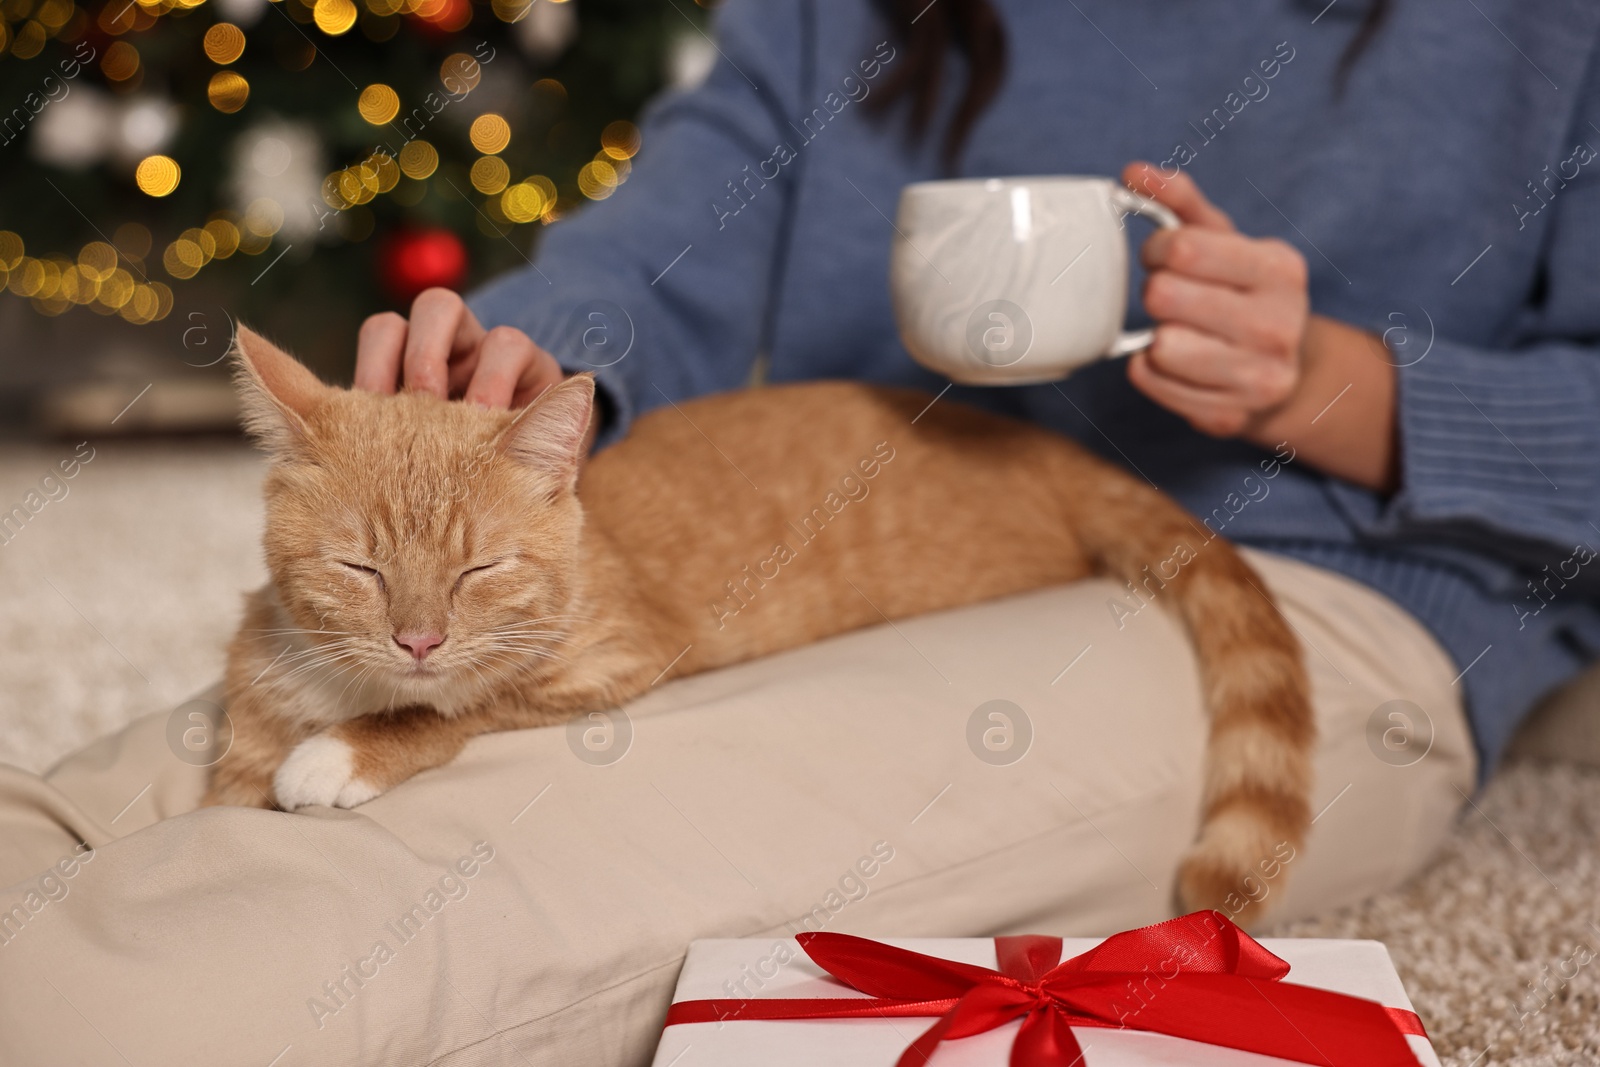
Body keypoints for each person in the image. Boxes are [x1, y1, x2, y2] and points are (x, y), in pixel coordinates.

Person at [1, 3, 1594, 1064]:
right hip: (883, 498)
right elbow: (683, 228)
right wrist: (525, 366)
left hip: (1298, 580)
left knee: (471, 863)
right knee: (220, 733)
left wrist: (1339, 381)